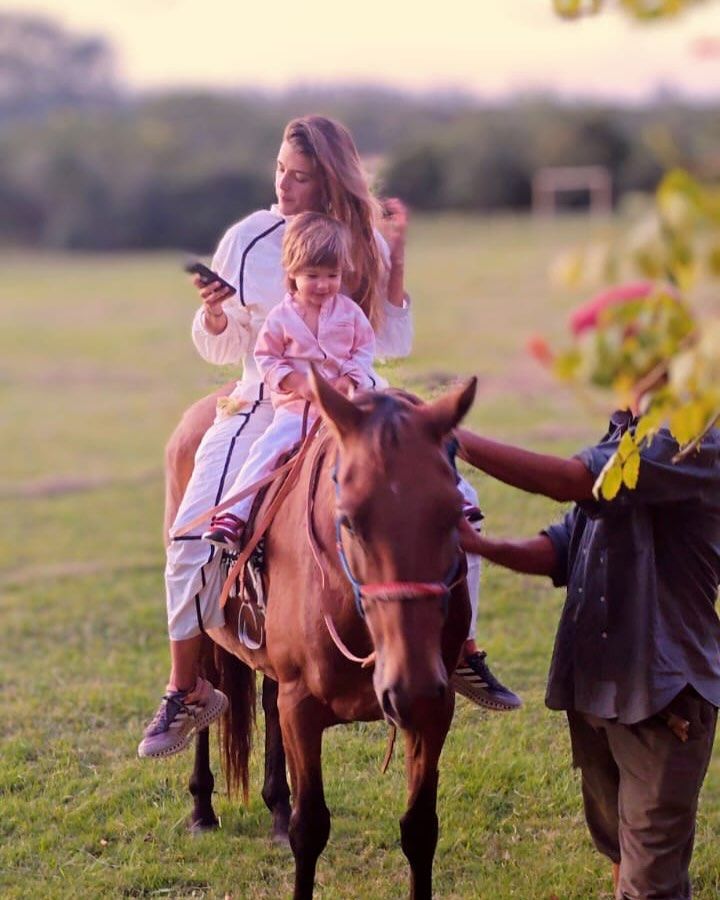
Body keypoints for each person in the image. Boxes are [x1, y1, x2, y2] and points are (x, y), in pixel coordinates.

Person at [139, 114, 516, 761]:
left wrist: (395, 263)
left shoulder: (362, 235)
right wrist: (214, 313)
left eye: (301, 176)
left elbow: (390, 339)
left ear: (330, 178)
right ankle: (187, 686)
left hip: (358, 398)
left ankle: (463, 650)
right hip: (269, 396)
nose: (285, 185)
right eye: (281, 171)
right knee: (191, 534)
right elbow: (226, 346)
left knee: (460, 501)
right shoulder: (249, 239)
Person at [456, 289, 720, 899]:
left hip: (664, 697)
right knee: (622, 854)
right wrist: (483, 547)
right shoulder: (627, 433)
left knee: (650, 879)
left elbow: (577, 482)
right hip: (604, 685)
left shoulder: (691, 436)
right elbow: (565, 545)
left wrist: (455, 438)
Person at [203, 212, 375, 549]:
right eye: (313, 275)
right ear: (292, 274)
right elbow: (266, 358)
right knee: (267, 449)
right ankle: (234, 515)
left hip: (348, 406)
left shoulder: (350, 313)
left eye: (332, 275)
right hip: (299, 410)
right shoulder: (280, 318)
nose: (324, 285)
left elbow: (364, 350)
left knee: (390, 440)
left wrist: (351, 378)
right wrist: (296, 382)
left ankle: (453, 500)